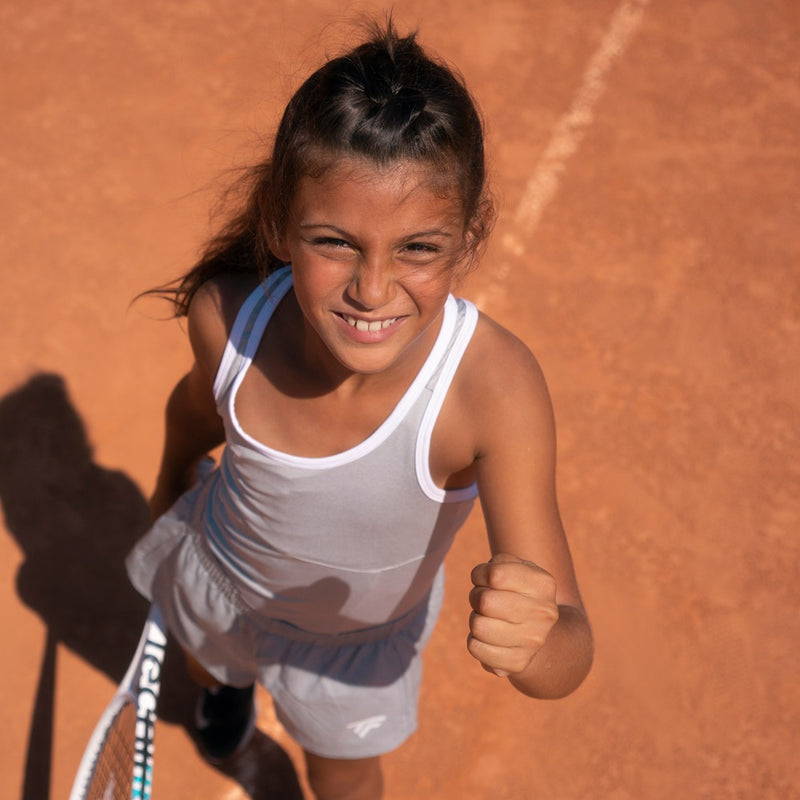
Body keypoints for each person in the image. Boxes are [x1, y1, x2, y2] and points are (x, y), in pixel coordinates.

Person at [126, 20, 593, 800]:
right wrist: (170, 480)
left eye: (417, 248)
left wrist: (538, 643)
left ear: (470, 236)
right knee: (208, 657)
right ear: (278, 223)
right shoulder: (225, 313)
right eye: (335, 241)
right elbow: (196, 411)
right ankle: (226, 689)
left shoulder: (492, 393)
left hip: (351, 652)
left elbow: (569, 651)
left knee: (342, 780)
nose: (372, 291)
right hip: (219, 575)